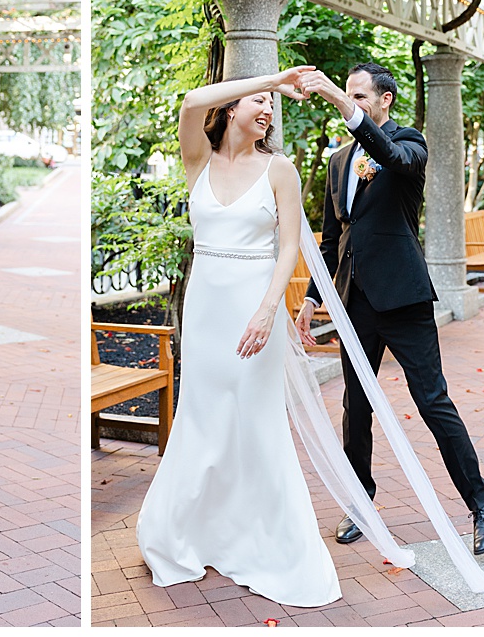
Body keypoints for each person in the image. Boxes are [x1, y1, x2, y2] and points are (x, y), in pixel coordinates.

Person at [136, 67, 344, 607]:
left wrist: (268, 310)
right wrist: (273, 78)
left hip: (258, 308)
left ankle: (265, 541)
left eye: (272, 106)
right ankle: (193, 531)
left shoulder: (280, 170)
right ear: (230, 109)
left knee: (254, 421)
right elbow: (189, 99)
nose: (268, 111)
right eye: (258, 101)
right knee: (203, 416)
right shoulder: (197, 161)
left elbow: (290, 248)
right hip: (205, 311)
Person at [294, 62, 484, 556]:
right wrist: (311, 298)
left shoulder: (410, 142)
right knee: (355, 407)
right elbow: (332, 238)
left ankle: (483, 505)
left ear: (384, 100)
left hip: (403, 297)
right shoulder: (338, 161)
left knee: (433, 402)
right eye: (349, 94)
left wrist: (343, 106)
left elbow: (390, 155)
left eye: (361, 95)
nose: (353, 100)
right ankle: (361, 503)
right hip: (355, 301)